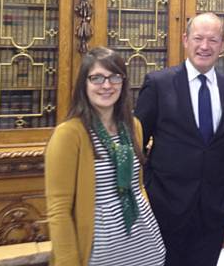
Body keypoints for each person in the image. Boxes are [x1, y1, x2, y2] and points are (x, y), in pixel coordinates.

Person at [135, 12, 224, 266]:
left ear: (222, 45)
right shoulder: (159, 84)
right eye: (198, 38)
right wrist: (149, 193)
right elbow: (136, 145)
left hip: (214, 211)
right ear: (185, 40)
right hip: (165, 209)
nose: (204, 46)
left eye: (213, 40)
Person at [45, 47, 165, 266]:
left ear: (123, 82)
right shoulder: (69, 134)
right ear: (84, 84)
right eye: (97, 78)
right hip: (99, 252)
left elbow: (137, 187)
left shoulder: (133, 126)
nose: (107, 85)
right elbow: (59, 210)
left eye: (114, 77)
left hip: (144, 244)